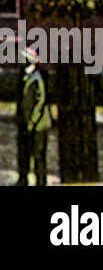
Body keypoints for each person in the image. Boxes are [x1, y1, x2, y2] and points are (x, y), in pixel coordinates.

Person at [16, 47, 50, 187]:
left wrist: (33, 120)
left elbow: (40, 100)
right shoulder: (23, 76)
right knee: (23, 152)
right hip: (25, 122)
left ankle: (40, 181)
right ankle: (22, 179)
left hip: (38, 125)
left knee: (38, 155)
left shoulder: (38, 77)